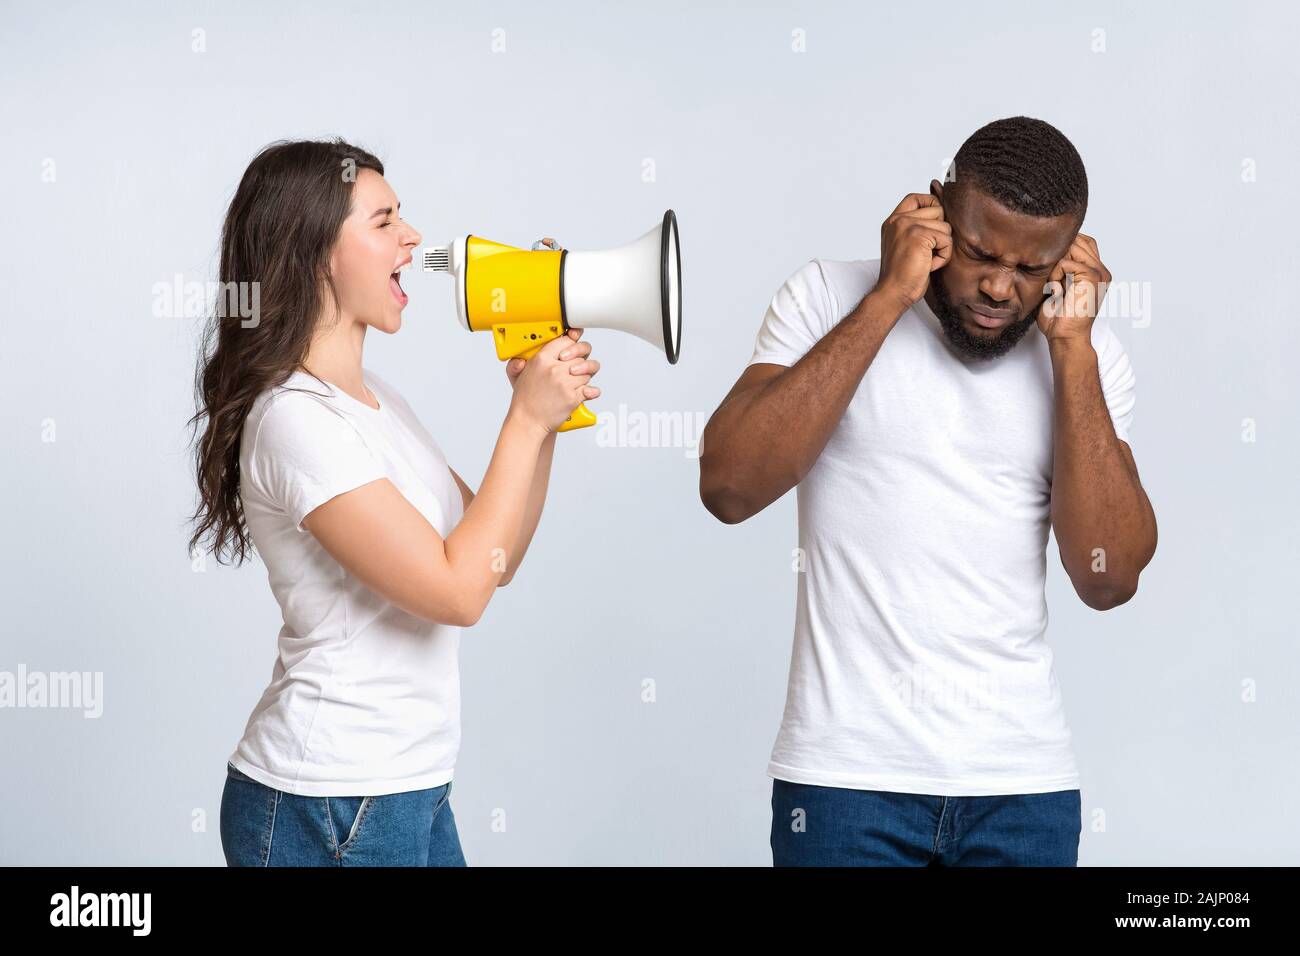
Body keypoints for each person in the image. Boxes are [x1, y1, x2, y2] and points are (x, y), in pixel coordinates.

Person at [699, 116, 1157, 866]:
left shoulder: (1091, 356)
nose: (999, 288)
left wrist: (1073, 353)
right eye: (979, 253)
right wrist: (886, 300)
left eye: (1032, 268)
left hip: (1022, 788)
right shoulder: (826, 296)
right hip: (845, 783)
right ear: (939, 208)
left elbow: (1108, 578)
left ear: (1071, 259)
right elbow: (729, 487)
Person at [186, 138, 601, 866]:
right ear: (318, 252)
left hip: (407, 786)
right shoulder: (295, 421)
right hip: (328, 799)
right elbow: (457, 592)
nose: (413, 237)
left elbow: (493, 557)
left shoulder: (380, 406)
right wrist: (526, 419)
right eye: (383, 221)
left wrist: (549, 415)